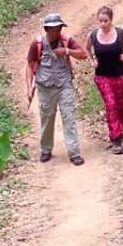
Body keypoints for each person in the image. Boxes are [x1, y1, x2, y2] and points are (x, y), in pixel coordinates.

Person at [26, 13, 89, 166]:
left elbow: (83, 54)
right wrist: (29, 87)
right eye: (54, 28)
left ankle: (74, 153)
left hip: (64, 85)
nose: (57, 31)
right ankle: (46, 149)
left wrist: (66, 51)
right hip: (45, 87)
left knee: (69, 118)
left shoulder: (67, 40)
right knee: (47, 119)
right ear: (47, 29)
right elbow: (30, 65)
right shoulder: (37, 43)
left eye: (59, 27)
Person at [84, 5, 123, 155]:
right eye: (100, 21)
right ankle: (115, 139)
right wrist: (92, 59)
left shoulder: (119, 33)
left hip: (119, 75)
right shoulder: (93, 35)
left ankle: (120, 131)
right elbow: (86, 48)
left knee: (120, 106)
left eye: (105, 21)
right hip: (102, 76)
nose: (102, 24)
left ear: (111, 20)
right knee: (111, 104)